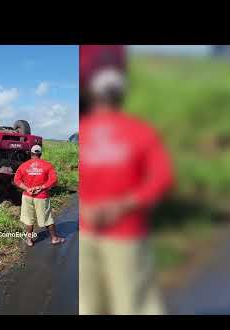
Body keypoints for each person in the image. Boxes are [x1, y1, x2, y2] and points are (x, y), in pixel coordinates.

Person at [79, 68, 174, 315]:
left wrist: (87, 207)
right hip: (126, 233)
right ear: (122, 96)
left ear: (92, 96)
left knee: (89, 303)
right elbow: (162, 179)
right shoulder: (141, 131)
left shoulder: (83, 132)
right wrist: (124, 205)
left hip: (90, 231)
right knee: (132, 302)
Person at [14, 145, 65, 247]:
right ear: (40, 154)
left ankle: (29, 240)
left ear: (31, 153)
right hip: (41, 196)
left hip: (27, 196)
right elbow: (53, 180)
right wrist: (42, 187)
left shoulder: (23, 165)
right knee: (47, 218)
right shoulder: (48, 165)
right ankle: (54, 238)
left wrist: (27, 188)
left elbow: (16, 180)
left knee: (29, 219)